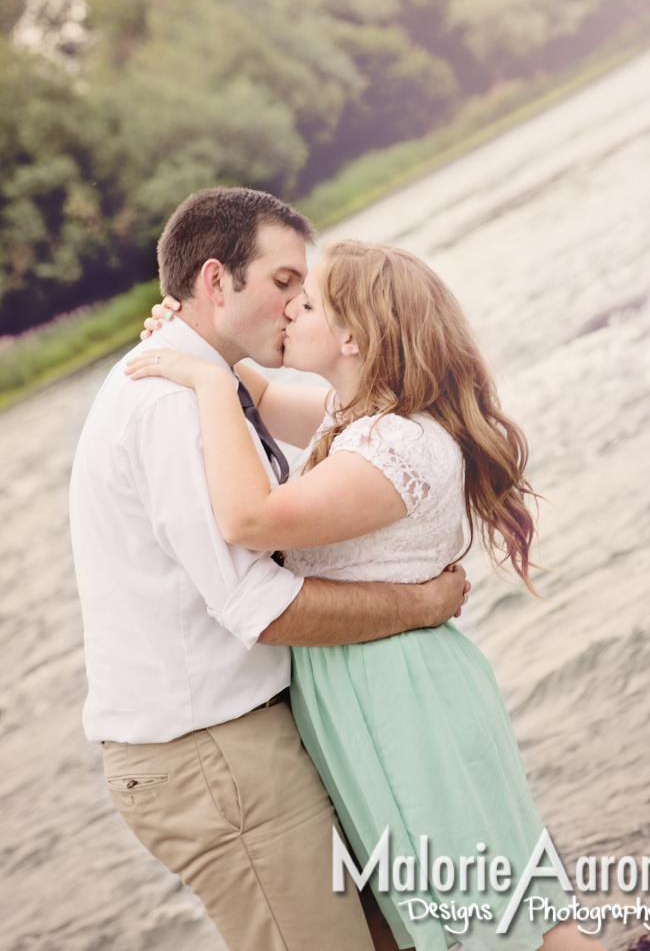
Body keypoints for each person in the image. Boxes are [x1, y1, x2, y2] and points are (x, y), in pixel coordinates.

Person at [130, 238, 609, 951]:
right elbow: (255, 396)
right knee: (507, 914)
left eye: (309, 301)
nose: (291, 307)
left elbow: (247, 518)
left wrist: (201, 387)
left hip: (398, 696)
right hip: (380, 689)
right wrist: (200, 335)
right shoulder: (351, 414)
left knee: (494, 921)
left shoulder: (393, 448)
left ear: (351, 336)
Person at [69, 188, 469, 951]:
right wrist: (418, 604)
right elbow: (262, 607)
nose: (295, 306)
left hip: (252, 733)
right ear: (217, 283)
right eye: (284, 283)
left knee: (406, 934)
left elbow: (319, 416)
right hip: (212, 750)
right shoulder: (170, 405)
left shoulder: (208, 382)